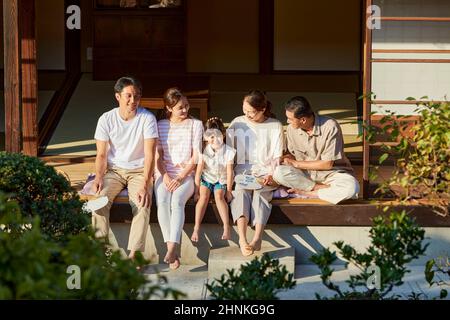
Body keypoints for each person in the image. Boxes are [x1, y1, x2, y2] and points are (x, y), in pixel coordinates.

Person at [91, 76, 158, 260]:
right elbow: (102, 154)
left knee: (142, 204)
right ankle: (100, 253)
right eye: (128, 95)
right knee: (98, 202)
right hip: (114, 171)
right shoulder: (106, 119)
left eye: (136, 96)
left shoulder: (147, 118)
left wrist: (146, 182)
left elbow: (150, 154)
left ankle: (135, 254)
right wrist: (98, 177)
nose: (133, 100)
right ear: (118, 96)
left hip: (139, 170)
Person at [226, 90, 284, 256]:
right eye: (244, 110)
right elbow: (229, 154)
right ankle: (243, 239)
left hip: (266, 173)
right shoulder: (237, 123)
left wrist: (271, 176)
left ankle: (257, 238)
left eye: (250, 112)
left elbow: (276, 157)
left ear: (263, 109)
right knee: (240, 193)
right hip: (242, 172)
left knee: (261, 194)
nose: (246, 115)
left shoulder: (275, 125)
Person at [273, 96, 359, 204]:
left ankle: (309, 193)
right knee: (279, 173)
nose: (287, 121)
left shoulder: (330, 126)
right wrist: (282, 158)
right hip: (306, 176)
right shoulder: (291, 129)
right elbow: (293, 156)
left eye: (290, 119)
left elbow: (327, 164)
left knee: (351, 188)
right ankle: (320, 189)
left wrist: (295, 164)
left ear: (303, 120)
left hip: (331, 174)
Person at [154, 87, 203, 269]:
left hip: (186, 174)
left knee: (177, 201)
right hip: (164, 172)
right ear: (169, 108)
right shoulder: (160, 125)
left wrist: (181, 177)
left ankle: (173, 246)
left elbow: (196, 156)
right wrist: (165, 176)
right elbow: (158, 156)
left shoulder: (196, 124)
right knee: (163, 201)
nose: (185, 110)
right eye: (180, 107)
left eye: (187, 106)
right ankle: (171, 249)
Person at [191, 117, 236, 243]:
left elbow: (229, 172)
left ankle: (226, 226)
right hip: (207, 178)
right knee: (203, 197)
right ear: (206, 137)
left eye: (218, 136)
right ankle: (196, 227)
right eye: (211, 136)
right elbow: (199, 172)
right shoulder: (203, 151)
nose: (215, 139)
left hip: (221, 180)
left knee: (219, 196)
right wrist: (196, 191)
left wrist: (229, 190)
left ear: (223, 135)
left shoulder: (228, 151)